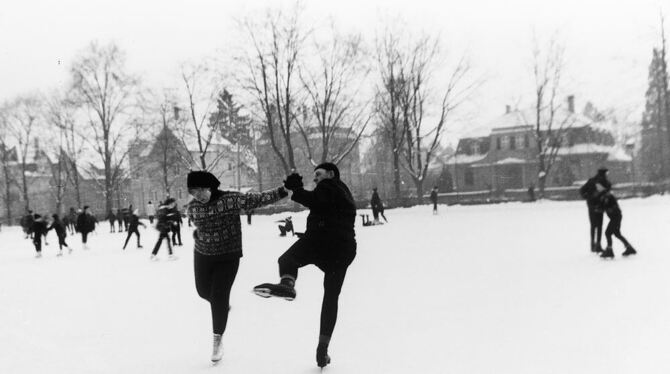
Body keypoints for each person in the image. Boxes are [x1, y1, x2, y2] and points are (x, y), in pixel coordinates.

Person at [253, 163, 357, 369]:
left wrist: (297, 190)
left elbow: (316, 201)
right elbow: (326, 208)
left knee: (287, 260)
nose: (316, 178)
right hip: (342, 249)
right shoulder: (343, 193)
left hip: (324, 241)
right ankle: (322, 348)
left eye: (318, 174)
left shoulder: (331, 186)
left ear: (331, 174)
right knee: (331, 297)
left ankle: (287, 285)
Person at [186, 170, 288, 364]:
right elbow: (198, 225)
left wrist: (283, 190)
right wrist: (198, 234)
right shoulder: (192, 207)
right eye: (193, 192)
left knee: (218, 295)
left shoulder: (230, 200)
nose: (197, 196)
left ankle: (217, 339)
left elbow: (257, 199)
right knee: (202, 291)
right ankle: (222, 306)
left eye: (200, 190)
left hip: (227, 255)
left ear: (210, 186)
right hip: (202, 254)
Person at [598, 187, 637, 259]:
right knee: (617, 234)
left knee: (608, 233)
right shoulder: (605, 198)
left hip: (616, 218)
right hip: (616, 217)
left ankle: (609, 250)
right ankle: (629, 248)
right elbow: (603, 207)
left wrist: (607, 209)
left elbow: (612, 207)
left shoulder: (609, 197)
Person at [579, 167, 611, 253]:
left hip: (591, 206)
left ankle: (593, 244)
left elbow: (582, 190)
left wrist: (588, 198)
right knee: (599, 226)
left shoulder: (591, 181)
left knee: (593, 226)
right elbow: (607, 191)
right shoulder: (605, 182)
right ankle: (598, 244)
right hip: (599, 206)